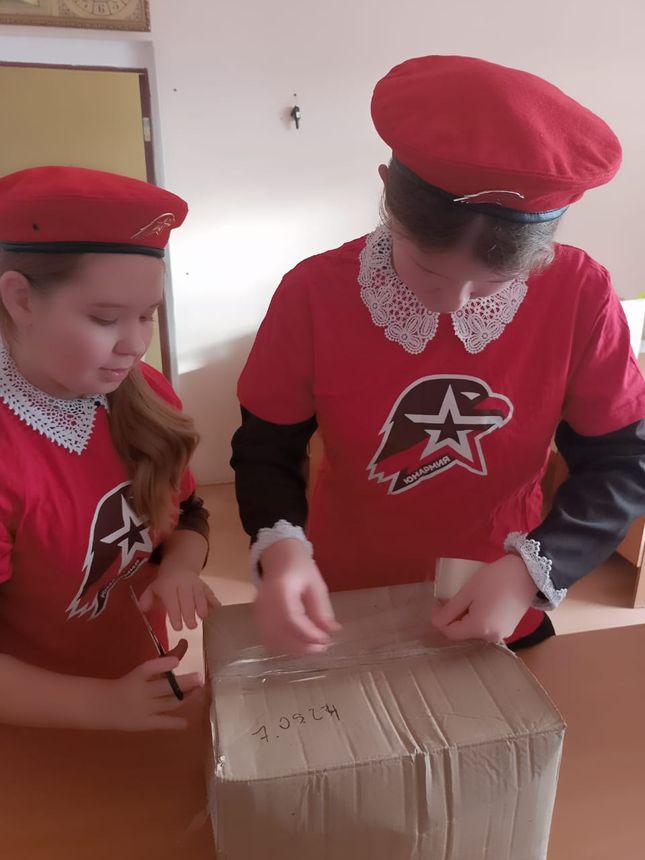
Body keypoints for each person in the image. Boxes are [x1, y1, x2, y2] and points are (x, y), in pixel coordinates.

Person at [231, 55, 645, 654]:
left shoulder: (580, 291)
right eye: (428, 271)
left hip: (500, 593)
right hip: (345, 596)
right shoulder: (314, 292)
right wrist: (282, 545)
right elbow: (266, 447)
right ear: (387, 195)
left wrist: (534, 569)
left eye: (493, 283)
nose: (454, 303)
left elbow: (622, 460)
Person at [0, 165, 218, 730]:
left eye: (148, 315)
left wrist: (179, 567)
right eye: (104, 318)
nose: (136, 344)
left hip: (138, 688)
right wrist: (99, 705)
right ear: (21, 299)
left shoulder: (146, 393)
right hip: (37, 723)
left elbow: (189, 512)